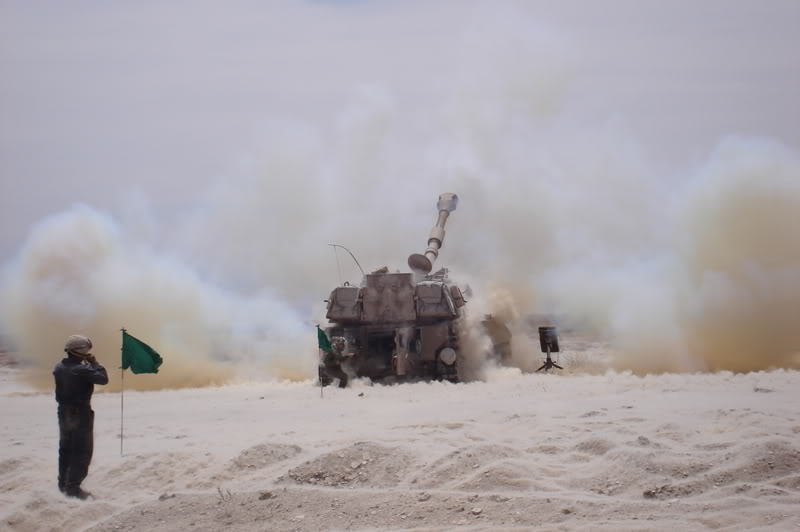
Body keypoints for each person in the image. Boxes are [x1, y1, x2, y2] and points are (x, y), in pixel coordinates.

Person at [53, 334, 108, 499]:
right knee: (82, 451)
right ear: (81, 351)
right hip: (80, 414)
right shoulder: (81, 369)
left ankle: (63, 485)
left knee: (66, 449)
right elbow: (103, 379)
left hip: (64, 412)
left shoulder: (59, 367)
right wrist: (94, 363)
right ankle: (73, 488)